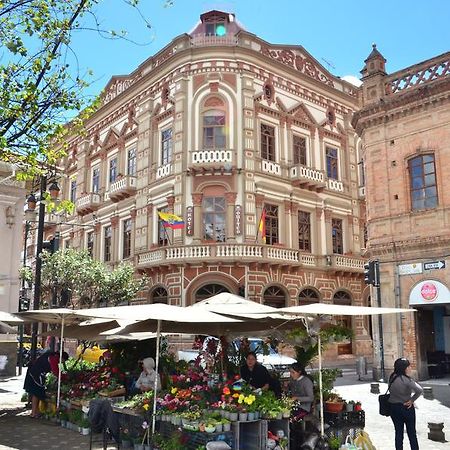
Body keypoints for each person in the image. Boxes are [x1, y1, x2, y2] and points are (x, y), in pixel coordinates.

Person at [388, 357, 423, 450]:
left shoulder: (392, 377)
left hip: (394, 408)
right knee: (412, 434)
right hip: (406, 408)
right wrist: (412, 400)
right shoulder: (407, 380)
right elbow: (419, 390)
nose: (410, 368)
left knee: (398, 433)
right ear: (404, 368)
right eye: (408, 366)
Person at [24, 350, 69, 418]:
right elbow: (56, 371)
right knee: (36, 393)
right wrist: (64, 377)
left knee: (36, 393)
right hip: (36, 374)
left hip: (35, 372)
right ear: (62, 358)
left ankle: (35, 412)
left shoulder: (51, 355)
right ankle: (34, 413)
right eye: (63, 361)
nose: (62, 362)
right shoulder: (54, 358)